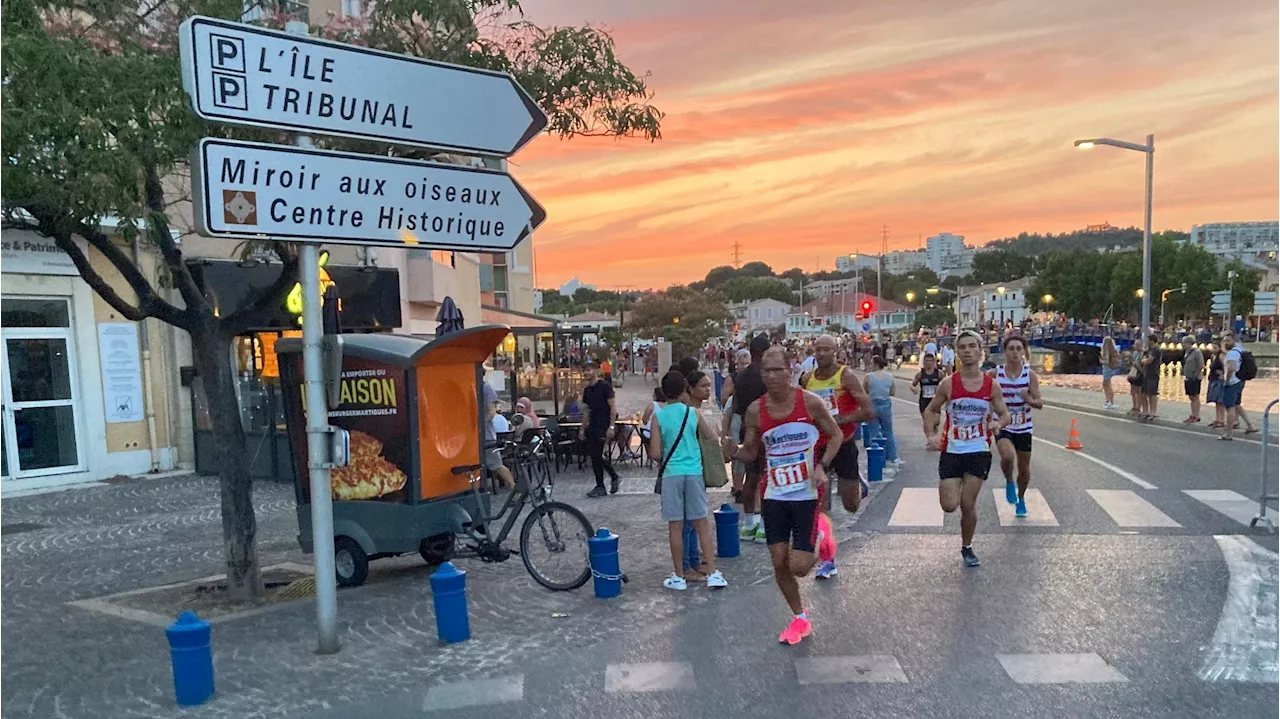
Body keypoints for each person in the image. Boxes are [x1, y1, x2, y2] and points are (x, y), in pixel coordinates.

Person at [722, 348, 843, 644]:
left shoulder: (810, 403)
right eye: (766, 371)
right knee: (778, 562)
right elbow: (752, 451)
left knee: (799, 567)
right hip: (774, 494)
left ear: (790, 371)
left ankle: (823, 535)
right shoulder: (755, 410)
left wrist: (821, 465)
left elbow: (836, 435)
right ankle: (799, 617)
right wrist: (734, 451)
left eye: (777, 370)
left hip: (806, 495)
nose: (771, 376)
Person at [922, 330, 1011, 568]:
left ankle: (967, 546)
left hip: (978, 451)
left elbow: (1004, 414)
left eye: (972, 346)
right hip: (952, 450)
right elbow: (931, 410)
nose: (968, 351)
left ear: (981, 351)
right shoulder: (948, 384)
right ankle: (959, 502)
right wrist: (930, 434)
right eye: (963, 347)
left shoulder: (991, 386)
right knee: (949, 505)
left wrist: (998, 423)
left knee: (968, 504)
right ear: (957, 352)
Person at [801, 334, 874, 579]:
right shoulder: (807, 379)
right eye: (817, 350)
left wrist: (842, 419)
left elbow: (868, 410)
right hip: (817, 448)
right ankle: (827, 560)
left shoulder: (846, 377)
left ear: (835, 352)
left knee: (850, 505)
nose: (820, 354)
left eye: (825, 350)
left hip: (843, 444)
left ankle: (858, 484)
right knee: (819, 506)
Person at [649, 371, 728, 590]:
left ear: (664, 392)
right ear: (685, 389)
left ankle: (678, 576)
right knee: (701, 523)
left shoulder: (659, 417)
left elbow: (655, 453)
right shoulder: (693, 413)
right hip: (694, 472)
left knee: (675, 525)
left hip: (671, 474)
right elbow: (712, 437)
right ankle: (713, 573)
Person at [723, 334, 771, 541]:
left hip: (745, 428)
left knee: (751, 477)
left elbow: (734, 407)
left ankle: (749, 522)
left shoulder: (739, 377)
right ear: (763, 352)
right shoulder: (767, 375)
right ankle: (763, 523)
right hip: (766, 429)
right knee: (766, 477)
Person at [990, 335, 1042, 518]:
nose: (1015, 352)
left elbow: (1039, 403)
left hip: (1024, 426)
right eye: (1011, 348)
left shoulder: (1030, 375)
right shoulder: (996, 374)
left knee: (1025, 468)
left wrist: (1026, 398)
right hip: (1003, 425)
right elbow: (985, 397)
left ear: (1023, 352)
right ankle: (1009, 482)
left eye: (1019, 349)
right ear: (1005, 352)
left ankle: (1021, 498)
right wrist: (989, 418)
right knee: (1008, 456)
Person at [580, 363, 620, 497]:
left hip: (603, 425)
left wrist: (612, 426)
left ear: (596, 371)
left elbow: (613, 407)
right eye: (584, 370)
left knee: (597, 454)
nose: (586, 373)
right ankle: (603, 483)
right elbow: (585, 410)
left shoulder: (605, 387)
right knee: (594, 456)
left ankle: (609, 480)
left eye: (588, 370)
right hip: (592, 424)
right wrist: (582, 428)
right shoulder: (587, 390)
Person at [863, 356, 900, 473]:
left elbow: (864, 391)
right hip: (885, 404)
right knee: (888, 431)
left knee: (874, 431)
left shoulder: (868, 377)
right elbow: (892, 392)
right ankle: (893, 456)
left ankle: (877, 456)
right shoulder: (889, 376)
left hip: (872, 404)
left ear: (875, 364)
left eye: (871, 363)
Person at [1219, 331, 1258, 440]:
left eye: (1228, 340)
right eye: (1225, 341)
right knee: (1237, 404)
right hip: (1240, 380)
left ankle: (1229, 433)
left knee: (1229, 407)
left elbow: (1231, 368)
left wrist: (1226, 380)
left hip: (1232, 382)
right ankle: (1250, 425)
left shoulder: (1232, 353)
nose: (1226, 342)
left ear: (1234, 341)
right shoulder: (1240, 349)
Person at [483, 383, 515, 490]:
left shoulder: (485, 387)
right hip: (481, 436)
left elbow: (491, 411)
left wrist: (479, 426)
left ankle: (514, 487)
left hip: (486, 436)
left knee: (496, 465)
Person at [1139, 333, 1162, 422]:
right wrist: (1144, 360)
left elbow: (1148, 360)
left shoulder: (1156, 350)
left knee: (1152, 394)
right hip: (1146, 373)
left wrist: (1144, 361)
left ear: (1152, 341)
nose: (1147, 342)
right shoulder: (1148, 350)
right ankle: (1145, 411)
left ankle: (1153, 412)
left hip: (1153, 373)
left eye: (1148, 340)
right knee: (1144, 393)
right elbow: (1143, 358)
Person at [1181, 337, 1204, 424]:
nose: (1183, 344)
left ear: (1189, 343)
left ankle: (1196, 415)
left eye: (1184, 343)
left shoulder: (1197, 352)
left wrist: (1196, 374)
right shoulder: (1186, 352)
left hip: (1194, 378)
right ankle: (1193, 414)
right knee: (1191, 396)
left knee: (1195, 396)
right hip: (1188, 377)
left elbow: (1201, 365)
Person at [1100, 335, 1121, 410]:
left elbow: (1106, 360)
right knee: (1107, 384)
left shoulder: (1106, 350)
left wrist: (1101, 361)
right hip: (1111, 368)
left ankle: (1110, 402)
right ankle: (1109, 401)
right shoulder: (1114, 350)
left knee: (1107, 385)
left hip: (1107, 368)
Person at [1126, 338, 1145, 416]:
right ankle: (1134, 406)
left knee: (1139, 391)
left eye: (1138, 345)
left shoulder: (1143, 354)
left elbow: (1142, 366)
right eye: (1135, 344)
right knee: (1133, 391)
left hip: (1139, 374)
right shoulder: (1135, 353)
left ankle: (1138, 407)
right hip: (1133, 373)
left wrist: (1137, 365)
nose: (1136, 346)